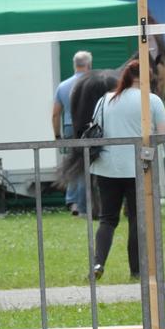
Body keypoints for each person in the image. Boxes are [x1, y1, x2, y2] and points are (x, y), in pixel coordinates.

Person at [89, 60, 165, 281]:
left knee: (107, 219)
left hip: (106, 167)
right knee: (136, 219)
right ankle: (136, 270)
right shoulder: (152, 100)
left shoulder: (105, 100)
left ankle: (98, 263)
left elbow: (95, 128)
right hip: (138, 167)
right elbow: (163, 135)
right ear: (147, 78)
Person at [54, 51, 92, 215]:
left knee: (73, 164)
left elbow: (55, 114)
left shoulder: (63, 86)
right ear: (89, 64)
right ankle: (82, 205)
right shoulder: (92, 83)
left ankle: (72, 201)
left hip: (69, 127)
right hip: (88, 127)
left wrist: (57, 136)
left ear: (74, 65)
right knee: (86, 166)